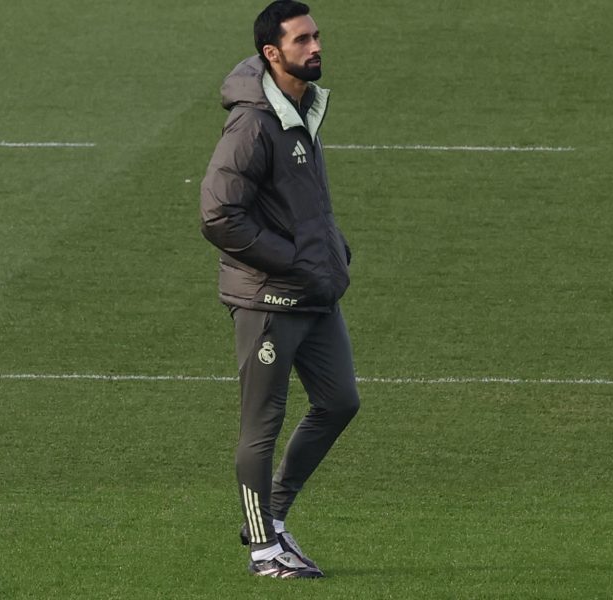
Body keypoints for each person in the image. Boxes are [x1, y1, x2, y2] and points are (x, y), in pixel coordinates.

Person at [199, 0, 359, 579]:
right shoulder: (253, 122)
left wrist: (332, 248)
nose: (316, 47)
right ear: (273, 53)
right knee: (260, 425)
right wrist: (292, 259)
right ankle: (264, 551)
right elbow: (218, 214)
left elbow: (300, 198)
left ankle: (272, 515)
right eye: (302, 40)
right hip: (268, 300)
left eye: (317, 36)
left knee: (340, 401)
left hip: (315, 292)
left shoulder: (303, 104)